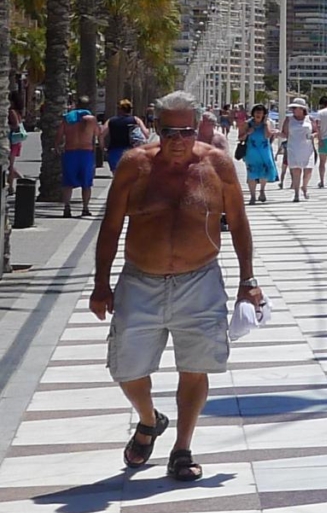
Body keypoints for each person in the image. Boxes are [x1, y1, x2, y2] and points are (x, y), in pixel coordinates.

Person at [90, 90, 262, 483]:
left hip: (200, 279)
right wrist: (101, 283)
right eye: (169, 132)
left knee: (195, 366)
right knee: (126, 367)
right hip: (140, 279)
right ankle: (149, 420)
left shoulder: (216, 165)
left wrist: (248, 280)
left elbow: (238, 222)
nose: (178, 140)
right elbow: (111, 226)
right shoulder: (135, 165)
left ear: (198, 127)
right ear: (156, 127)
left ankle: (182, 448)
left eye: (186, 132)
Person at [60, 94, 99, 218]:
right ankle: (85, 208)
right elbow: (97, 134)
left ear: (77, 104)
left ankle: (67, 208)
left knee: (68, 182)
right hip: (86, 153)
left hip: (70, 152)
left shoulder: (67, 118)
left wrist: (57, 147)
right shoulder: (92, 119)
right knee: (86, 183)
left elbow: (59, 135)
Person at [240, 104, 277, 204]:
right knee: (251, 173)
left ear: (264, 114)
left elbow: (267, 136)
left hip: (264, 151)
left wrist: (265, 124)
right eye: (257, 112)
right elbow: (240, 137)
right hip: (251, 151)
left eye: (261, 113)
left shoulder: (267, 123)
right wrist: (247, 132)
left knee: (264, 172)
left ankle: (262, 191)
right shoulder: (247, 123)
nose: (258, 114)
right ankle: (253, 196)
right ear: (253, 113)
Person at [283, 98, 316, 202]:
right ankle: (296, 193)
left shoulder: (310, 119)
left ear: (302, 109)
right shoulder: (289, 119)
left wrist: (313, 135)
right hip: (293, 147)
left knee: (308, 170)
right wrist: (275, 134)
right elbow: (284, 133)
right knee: (296, 170)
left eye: (295, 108)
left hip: (307, 148)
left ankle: (304, 186)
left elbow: (316, 131)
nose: (293, 110)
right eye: (292, 108)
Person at [103, 99, 143, 172]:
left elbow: (101, 134)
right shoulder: (135, 120)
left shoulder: (111, 120)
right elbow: (146, 134)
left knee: (116, 174)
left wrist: (103, 148)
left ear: (119, 109)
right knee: (129, 173)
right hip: (131, 150)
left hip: (114, 151)